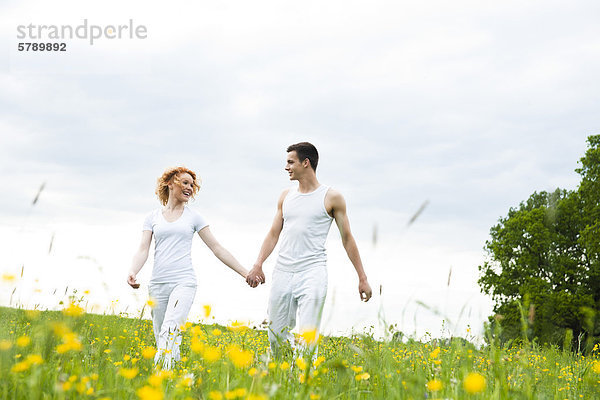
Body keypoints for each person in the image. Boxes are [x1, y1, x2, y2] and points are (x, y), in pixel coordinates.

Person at [246, 142, 372, 357]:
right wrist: (258, 264)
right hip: (283, 271)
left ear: (306, 163)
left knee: (308, 334)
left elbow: (347, 238)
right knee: (275, 335)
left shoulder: (332, 197)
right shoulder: (286, 196)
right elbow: (273, 233)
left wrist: (362, 277)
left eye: (290, 162)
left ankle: (304, 379)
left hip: (312, 272)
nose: (286, 167)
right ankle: (283, 374)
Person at [128, 166, 249, 369]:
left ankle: (160, 376)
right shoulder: (152, 218)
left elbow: (216, 248)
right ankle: (171, 379)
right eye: (185, 183)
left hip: (183, 282)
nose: (189, 188)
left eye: (192, 185)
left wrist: (245, 273)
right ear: (170, 183)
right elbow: (143, 249)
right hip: (158, 284)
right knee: (162, 336)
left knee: (171, 328)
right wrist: (133, 271)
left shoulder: (194, 217)